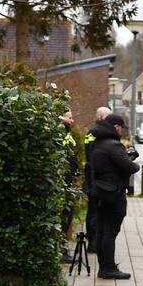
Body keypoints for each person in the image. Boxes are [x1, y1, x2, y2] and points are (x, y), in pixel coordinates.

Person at [88, 113, 139, 279]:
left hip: (100, 192)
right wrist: (133, 162)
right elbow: (130, 167)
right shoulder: (114, 145)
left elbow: (108, 164)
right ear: (116, 126)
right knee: (110, 232)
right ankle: (108, 268)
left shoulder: (97, 143)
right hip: (114, 194)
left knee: (102, 231)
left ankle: (104, 267)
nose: (121, 131)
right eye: (121, 128)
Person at [83, 106, 112, 253]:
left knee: (96, 210)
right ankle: (92, 241)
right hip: (94, 177)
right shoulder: (95, 133)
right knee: (94, 210)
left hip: (96, 176)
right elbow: (93, 156)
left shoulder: (94, 132)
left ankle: (97, 239)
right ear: (102, 118)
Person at [60, 111, 79, 262]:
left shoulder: (67, 133)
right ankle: (62, 251)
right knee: (64, 217)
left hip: (69, 179)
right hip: (64, 181)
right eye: (69, 117)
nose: (72, 120)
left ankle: (63, 249)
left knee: (68, 216)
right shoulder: (60, 133)